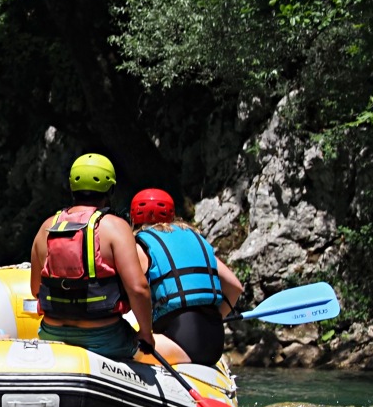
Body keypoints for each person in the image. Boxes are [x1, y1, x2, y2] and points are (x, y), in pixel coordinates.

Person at [29, 153, 154, 361]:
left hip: (52, 332)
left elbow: (35, 290)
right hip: (104, 337)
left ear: (71, 188)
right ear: (110, 189)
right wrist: (146, 333)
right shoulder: (115, 227)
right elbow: (138, 289)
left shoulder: (47, 227)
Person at [130, 188, 244, 365]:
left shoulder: (141, 245)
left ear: (133, 217)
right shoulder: (194, 239)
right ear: (171, 214)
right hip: (214, 342)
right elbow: (235, 287)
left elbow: (135, 290)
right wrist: (216, 318)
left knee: (115, 344)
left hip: (179, 340)